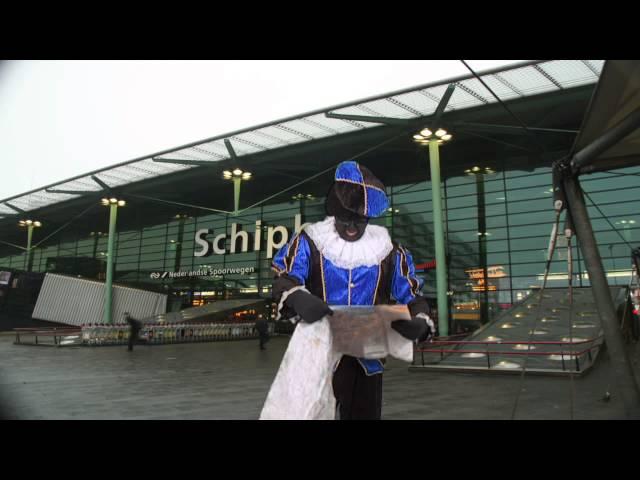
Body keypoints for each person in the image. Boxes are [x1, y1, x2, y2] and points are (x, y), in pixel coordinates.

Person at [271, 160, 436, 420]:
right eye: (346, 218)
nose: (351, 227)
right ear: (334, 213)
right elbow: (285, 279)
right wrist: (297, 297)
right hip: (318, 347)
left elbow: (412, 295)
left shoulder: (388, 251)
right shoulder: (310, 242)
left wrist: (420, 320)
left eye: (359, 220)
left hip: (368, 353)